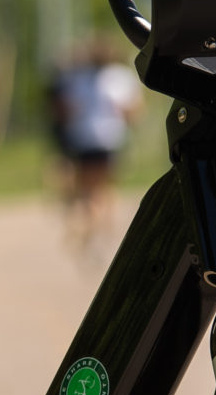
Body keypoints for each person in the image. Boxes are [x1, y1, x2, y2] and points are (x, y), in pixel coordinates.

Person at [47, 40, 144, 254]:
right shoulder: (120, 77)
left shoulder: (78, 78)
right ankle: (103, 228)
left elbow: (65, 109)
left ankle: (93, 228)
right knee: (106, 185)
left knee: (89, 188)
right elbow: (133, 109)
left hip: (84, 138)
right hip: (111, 138)